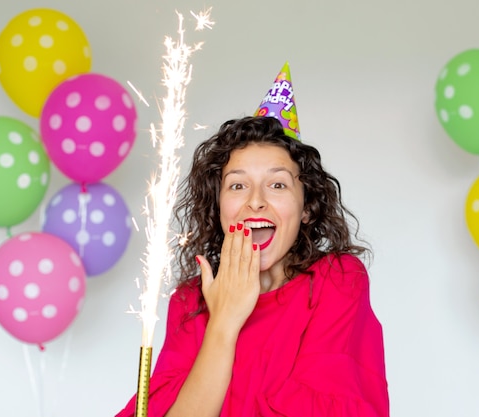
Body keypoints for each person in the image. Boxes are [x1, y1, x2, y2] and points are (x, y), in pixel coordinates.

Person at [116, 115, 390, 417]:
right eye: (237, 185)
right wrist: (224, 320)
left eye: (277, 184)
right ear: (218, 206)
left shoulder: (336, 279)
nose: (256, 201)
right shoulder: (191, 300)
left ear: (307, 209)